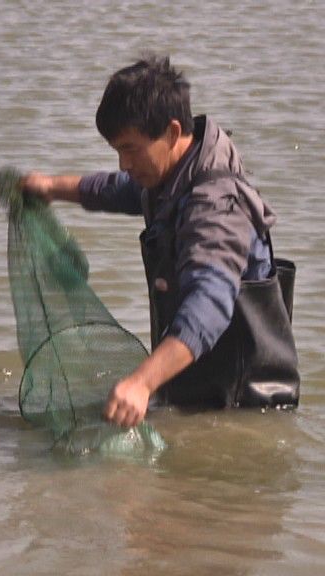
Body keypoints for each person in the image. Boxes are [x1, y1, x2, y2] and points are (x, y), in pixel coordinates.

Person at [19, 55, 299, 428]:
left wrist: (140, 382)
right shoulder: (174, 171)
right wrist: (53, 188)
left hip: (246, 409)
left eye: (130, 149)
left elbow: (209, 304)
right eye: (117, 151)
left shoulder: (215, 206)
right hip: (203, 391)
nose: (123, 164)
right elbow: (120, 190)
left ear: (171, 132)